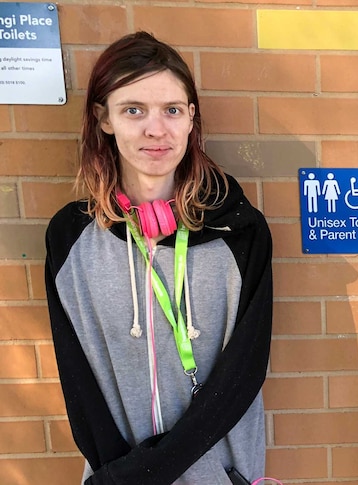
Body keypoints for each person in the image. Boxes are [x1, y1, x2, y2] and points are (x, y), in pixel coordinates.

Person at [45, 32, 273, 484]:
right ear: (103, 119)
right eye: (133, 110)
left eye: (172, 110)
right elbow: (79, 384)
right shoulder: (71, 239)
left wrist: (148, 473)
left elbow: (242, 377)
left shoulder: (242, 233)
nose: (156, 129)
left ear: (191, 118)